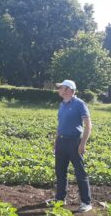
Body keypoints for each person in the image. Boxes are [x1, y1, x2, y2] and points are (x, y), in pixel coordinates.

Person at [52, 80, 92, 212]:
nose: (59, 89)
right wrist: (56, 141)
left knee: (80, 172)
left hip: (74, 142)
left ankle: (86, 202)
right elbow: (60, 124)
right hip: (61, 142)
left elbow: (88, 125)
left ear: (69, 90)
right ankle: (60, 198)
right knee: (60, 171)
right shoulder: (62, 104)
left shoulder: (79, 104)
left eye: (61, 87)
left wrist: (83, 143)